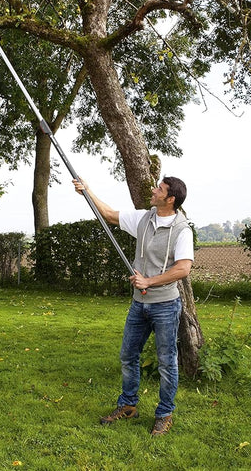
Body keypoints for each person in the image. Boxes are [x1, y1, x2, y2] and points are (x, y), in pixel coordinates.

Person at [72, 176, 193, 437]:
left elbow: (183, 268)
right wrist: (87, 190)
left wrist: (149, 280)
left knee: (167, 362)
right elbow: (109, 215)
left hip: (165, 305)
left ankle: (164, 414)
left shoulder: (182, 229)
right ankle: (127, 406)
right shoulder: (144, 218)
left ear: (170, 199)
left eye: (159, 189)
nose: (153, 190)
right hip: (139, 304)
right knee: (128, 355)